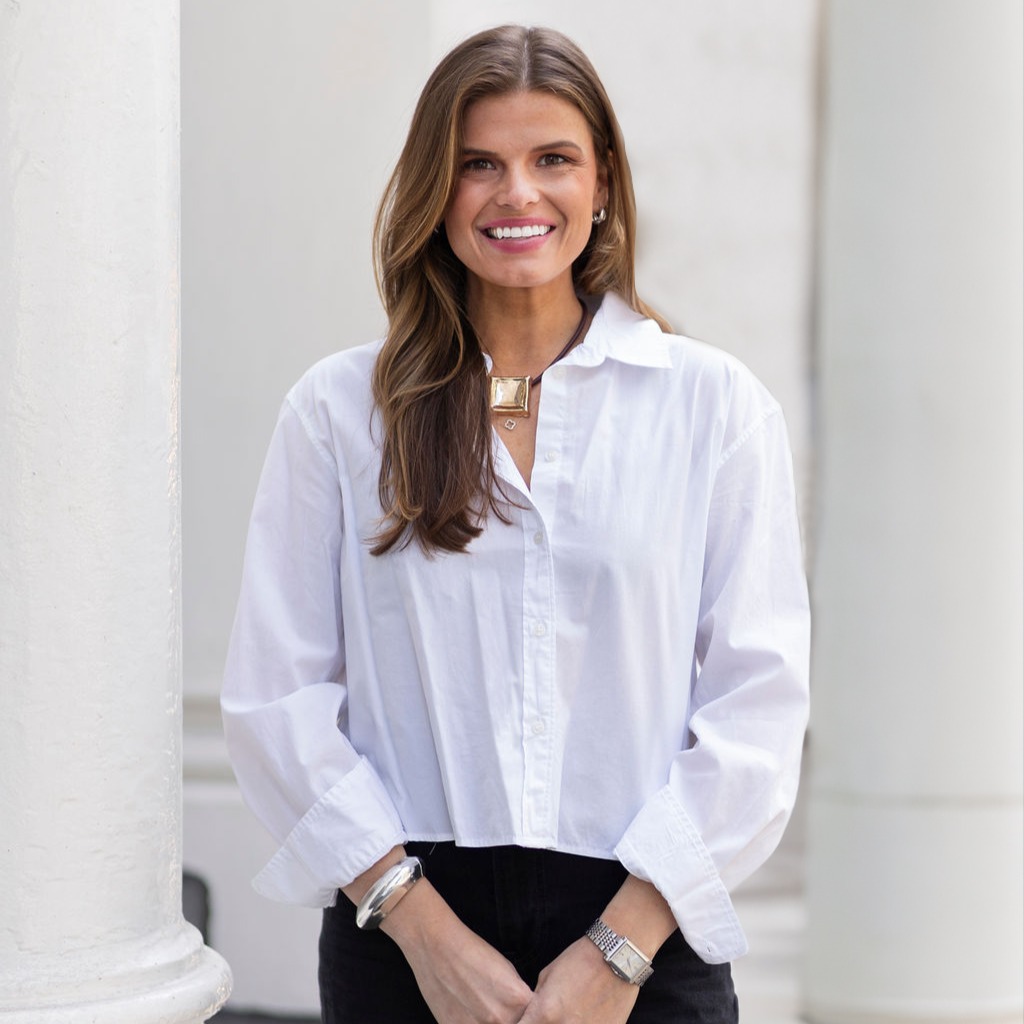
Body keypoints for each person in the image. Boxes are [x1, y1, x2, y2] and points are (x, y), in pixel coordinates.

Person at [222, 24, 810, 1024]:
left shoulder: (713, 408)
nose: (517, 195)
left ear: (604, 184)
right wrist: (421, 931)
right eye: (478, 165)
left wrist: (618, 949)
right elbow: (274, 696)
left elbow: (758, 703)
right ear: (432, 190)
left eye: (552, 160)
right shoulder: (337, 414)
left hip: (645, 932)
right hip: (402, 926)